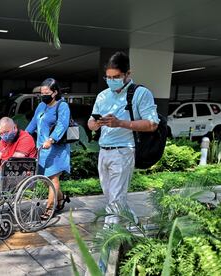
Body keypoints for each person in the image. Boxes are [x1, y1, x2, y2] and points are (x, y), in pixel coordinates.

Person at [88, 51, 159, 226]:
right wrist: (96, 124)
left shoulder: (141, 93)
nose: (112, 80)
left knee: (114, 201)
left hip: (124, 151)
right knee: (112, 196)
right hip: (103, 151)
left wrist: (120, 123)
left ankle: (107, 243)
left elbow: (152, 124)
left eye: (116, 77)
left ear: (128, 74)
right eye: (108, 77)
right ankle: (132, 220)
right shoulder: (102, 96)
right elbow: (90, 122)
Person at [25, 78, 71, 220]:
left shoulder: (62, 106)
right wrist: (23, 137)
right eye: (41, 93)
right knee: (45, 179)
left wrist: (51, 139)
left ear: (55, 92)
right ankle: (61, 198)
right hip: (41, 148)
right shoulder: (41, 106)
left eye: (46, 93)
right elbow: (33, 123)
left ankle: (50, 208)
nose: (43, 95)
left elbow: (62, 125)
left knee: (53, 178)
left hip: (56, 148)